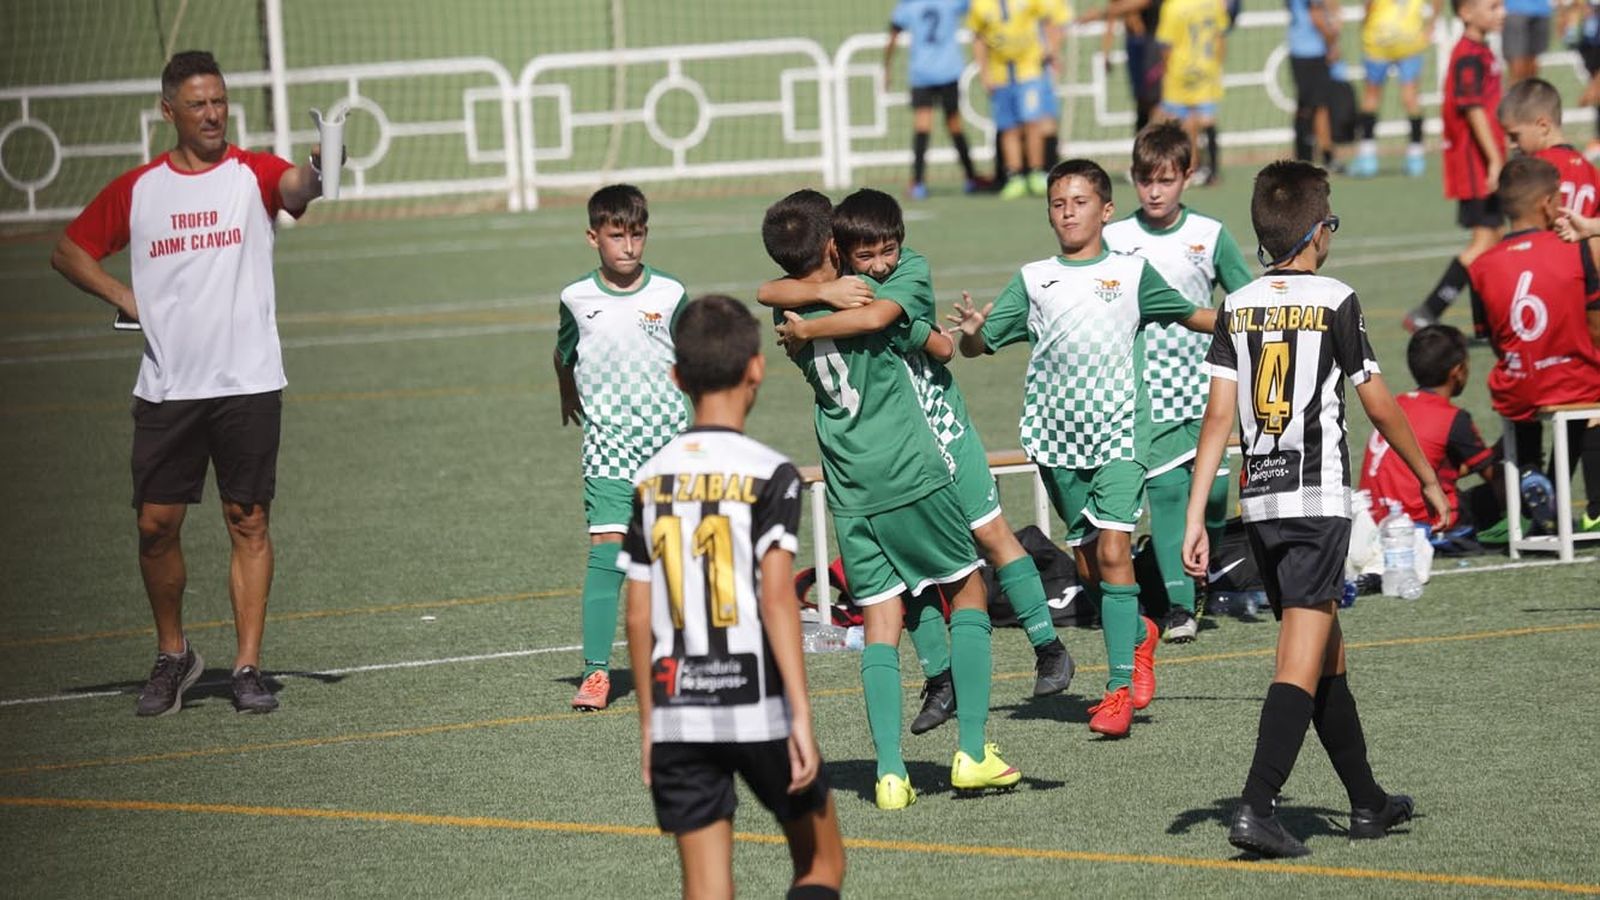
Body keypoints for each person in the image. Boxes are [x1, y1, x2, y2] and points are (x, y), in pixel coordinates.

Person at [49, 50, 327, 716]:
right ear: (168, 110)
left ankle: (248, 667)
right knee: (155, 525)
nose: (212, 114)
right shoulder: (140, 188)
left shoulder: (250, 172)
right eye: (198, 104)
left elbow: (295, 190)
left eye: (220, 101)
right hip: (169, 386)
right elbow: (68, 250)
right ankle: (173, 655)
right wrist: (122, 293)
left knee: (248, 520)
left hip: (248, 381)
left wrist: (319, 170)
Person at [1182, 160, 1447, 858]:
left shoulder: (1237, 304)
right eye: (1330, 220)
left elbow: (1217, 421)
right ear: (1315, 232)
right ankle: (1257, 806)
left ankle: (1367, 801)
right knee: (1299, 659)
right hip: (1317, 498)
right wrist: (1426, 476)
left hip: (1262, 499)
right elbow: (1378, 401)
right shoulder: (1336, 298)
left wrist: (1192, 518)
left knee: (1326, 651)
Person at [757, 188, 1076, 734]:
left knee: (991, 532)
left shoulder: (885, 277)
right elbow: (923, 339)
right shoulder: (838, 289)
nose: (878, 262)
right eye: (864, 252)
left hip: (940, 427)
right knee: (916, 574)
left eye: (885, 250)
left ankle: (1047, 645)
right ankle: (941, 678)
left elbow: (909, 332)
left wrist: (815, 320)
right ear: (837, 246)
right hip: (905, 444)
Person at [949, 159, 1216, 737]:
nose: (1067, 212)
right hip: (1055, 438)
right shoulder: (1034, 278)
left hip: (1122, 432)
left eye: (1079, 201)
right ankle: (1139, 632)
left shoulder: (1133, 274)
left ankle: (1119, 690)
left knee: (1116, 553)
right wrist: (972, 331)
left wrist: (1253, 319)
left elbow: (1196, 316)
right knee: (1092, 565)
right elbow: (978, 348)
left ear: (1106, 210)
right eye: (1057, 203)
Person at [620, 294, 846, 900]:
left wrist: (650, 723)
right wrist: (800, 715)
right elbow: (777, 601)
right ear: (757, 368)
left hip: (678, 706)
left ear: (676, 378)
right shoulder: (770, 472)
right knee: (822, 864)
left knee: (707, 889)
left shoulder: (651, 478)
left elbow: (638, 612)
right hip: (758, 703)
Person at [1104, 122, 1254, 642]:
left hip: (1209, 387)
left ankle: (1198, 566)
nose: (1154, 191)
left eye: (1165, 180)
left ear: (1187, 177)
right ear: (1133, 178)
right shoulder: (1116, 239)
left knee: (1212, 498)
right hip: (1148, 391)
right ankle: (1179, 607)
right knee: (1168, 493)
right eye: (1145, 180)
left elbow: (1245, 300)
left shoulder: (1209, 235)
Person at [554, 184, 690, 711]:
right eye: (616, 236)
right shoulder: (575, 298)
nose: (628, 247)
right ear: (594, 238)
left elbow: (696, 359)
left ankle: (676, 662)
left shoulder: (672, 294)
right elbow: (563, 352)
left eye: (637, 235)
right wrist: (567, 393)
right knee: (607, 550)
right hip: (608, 446)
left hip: (667, 446)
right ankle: (595, 672)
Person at [1467, 155, 1600, 533]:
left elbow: (1493, 339)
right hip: (1576, 379)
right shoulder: (1575, 250)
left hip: (1518, 387)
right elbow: (1594, 323)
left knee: (1525, 383)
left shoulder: (1481, 266)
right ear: (1547, 203)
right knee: (1583, 387)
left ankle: (1529, 471)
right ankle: (1590, 503)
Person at [1405, 0, 1507, 332]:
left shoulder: (1482, 51)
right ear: (1465, 13)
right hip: (1476, 164)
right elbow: (1474, 110)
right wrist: (1494, 159)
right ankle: (1429, 310)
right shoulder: (1467, 55)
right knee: (1484, 243)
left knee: (1495, 241)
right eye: (1492, 6)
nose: (1501, 12)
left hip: (1485, 161)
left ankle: (1484, 324)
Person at [1358, 325, 1503, 533]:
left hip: (1375, 520)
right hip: (1420, 522)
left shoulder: (1397, 405)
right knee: (1513, 486)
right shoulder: (1452, 417)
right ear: (1458, 371)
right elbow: (1492, 475)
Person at [967, 0, 1071, 199]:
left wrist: (1052, 51)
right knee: (1008, 128)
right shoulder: (981, 5)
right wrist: (985, 73)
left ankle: (1036, 172)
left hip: (1029, 71)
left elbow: (1049, 20)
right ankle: (1015, 176)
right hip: (1000, 74)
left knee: (1032, 123)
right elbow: (978, 38)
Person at [886, 0, 989, 199]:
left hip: (921, 72)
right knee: (954, 125)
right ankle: (971, 177)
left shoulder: (908, 6)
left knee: (922, 126)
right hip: (948, 70)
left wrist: (887, 67)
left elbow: (893, 35)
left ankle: (918, 183)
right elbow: (978, 8)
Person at [1351, 0, 1442, 178]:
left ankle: (1367, 155)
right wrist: (1431, 24)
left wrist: (1365, 21)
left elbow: (1368, 7)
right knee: (1410, 98)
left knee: (1371, 96)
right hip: (1408, 41)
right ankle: (1415, 155)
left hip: (1378, 41)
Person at [1498, 78, 1600, 218]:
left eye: (1515, 136)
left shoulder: (1535, 170)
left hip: (1547, 239)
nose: (1511, 144)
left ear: (1543, 126)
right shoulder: (1590, 170)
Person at [1154, 0, 1230, 184]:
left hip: (1179, 70)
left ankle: (1172, 167)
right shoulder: (1213, 3)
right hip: (1206, 68)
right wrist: (1217, 63)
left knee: (1168, 118)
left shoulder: (1172, 7)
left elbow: (1166, 44)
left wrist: (1164, 67)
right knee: (1205, 120)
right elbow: (1221, 37)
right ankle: (1211, 170)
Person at [1287, 0, 1346, 169]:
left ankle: (1305, 156)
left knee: (1308, 105)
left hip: (1301, 49)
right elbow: (1317, 15)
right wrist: (1332, 41)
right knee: (1318, 106)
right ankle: (1323, 156)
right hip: (1311, 51)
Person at [1503, 0, 1552, 81]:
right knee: (1517, 67)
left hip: (1542, 10)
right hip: (1514, 9)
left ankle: (1528, 93)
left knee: (1532, 68)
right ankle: (1514, 93)